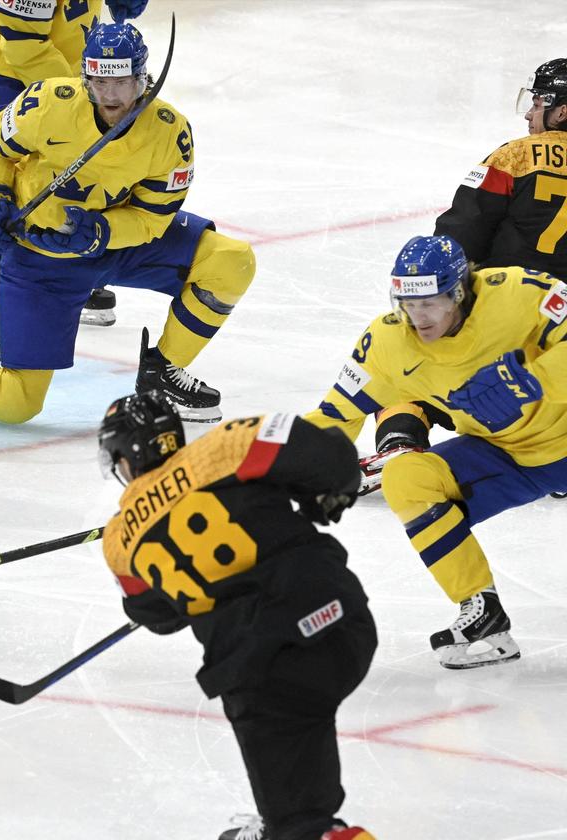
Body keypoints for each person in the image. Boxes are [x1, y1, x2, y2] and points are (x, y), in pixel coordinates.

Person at [0, 22, 255, 425]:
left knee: (231, 260)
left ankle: (162, 372)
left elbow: (153, 218)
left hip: (116, 246)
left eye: (121, 81)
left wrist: (104, 234)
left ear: (143, 77)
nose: (109, 94)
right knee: (15, 402)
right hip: (41, 260)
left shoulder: (171, 133)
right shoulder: (49, 102)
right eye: (98, 81)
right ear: (85, 76)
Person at [97, 392, 376, 840]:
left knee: (300, 822)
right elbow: (333, 455)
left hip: (265, 666)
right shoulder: (227, 445)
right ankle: (297, 822)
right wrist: (323, 494)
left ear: (123, 458)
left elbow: (157, 617)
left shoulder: (118, 540)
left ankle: (297, 825)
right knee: (303, 775)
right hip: (343, 619)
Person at [306, 235, 567, 669]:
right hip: (507, 457)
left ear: (458, 292)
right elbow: (333, 415)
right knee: (406, 477)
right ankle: (484, 614)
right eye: (406, 303)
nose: (417, 317)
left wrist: (532, 380)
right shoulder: (387, 343)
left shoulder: (521, 292)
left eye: (428, 303)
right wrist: (258, 467)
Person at [364, 59, 567, 476]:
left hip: (505, 309)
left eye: (537, 102)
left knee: (404, 350)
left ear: (562, 110)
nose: (529, 113)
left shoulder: (515, 156)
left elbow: (459, 237)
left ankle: (401, 438)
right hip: (561, 329)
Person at [0, 0, 147, 357]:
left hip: (60, 56)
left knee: (70, 164)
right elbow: (23, 44)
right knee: (16, 178)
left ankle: (62, 272)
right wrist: (86, 98)